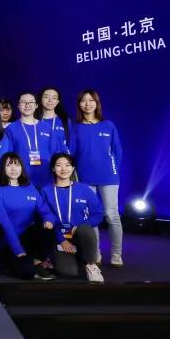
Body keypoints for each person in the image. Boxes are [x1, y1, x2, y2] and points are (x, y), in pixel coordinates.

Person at [71, 89, 125, 267]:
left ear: (97, 103)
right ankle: (95, 253)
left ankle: (116, 254)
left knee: (111, 214)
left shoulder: (108, 125)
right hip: (85, 177)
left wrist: (114, 170)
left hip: (109, 177)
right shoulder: (75, 127)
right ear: (79, 104)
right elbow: (72, 152)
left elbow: (117, 150)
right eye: (83, 100)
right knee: (92, 216)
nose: (87, 104)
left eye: (91, 100)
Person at [0, 152, 57, 280]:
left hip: (27, 238)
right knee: (27, 273)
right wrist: (17, 249)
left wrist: (48, 219)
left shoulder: (29, 187)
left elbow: (45, 210)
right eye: (9, 165)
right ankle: (12, 262)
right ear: (3, 168)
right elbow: (4, 223)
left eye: (17, 165)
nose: (13, 169)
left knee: (48, 229)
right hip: (9, 241)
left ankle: (38, 261)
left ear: (22, 167)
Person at [42, 153, 105, 283]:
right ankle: (73, 260)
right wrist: (61, 240)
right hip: (59, 238)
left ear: (73, 168)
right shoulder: (46, 190)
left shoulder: (84, 189)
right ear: (53, 168)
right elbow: (45, 218)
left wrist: (80, 226)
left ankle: (91, 264)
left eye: (67, 165)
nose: (63, 169)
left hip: (79, 234)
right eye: (59, 165)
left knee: (85, 229)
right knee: (68, 273)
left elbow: (98, 214)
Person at [6, 92, 67, 191]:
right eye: (23, 102)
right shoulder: (11, 128)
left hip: (47, 177)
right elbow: (8, 155)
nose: (27, 105)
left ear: (36, 105)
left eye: (31, 102)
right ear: (18, 105)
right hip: (22, 177)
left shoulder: (46, 127)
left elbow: (56, 152)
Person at [38, 87, 71, 152]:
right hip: (40, 157)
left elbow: (71, 144)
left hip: (60, 157)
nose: (50, 100)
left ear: (58, 101)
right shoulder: (33, 120)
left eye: (54, 98)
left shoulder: (65, 121)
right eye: (46, 97)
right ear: (41, 99)